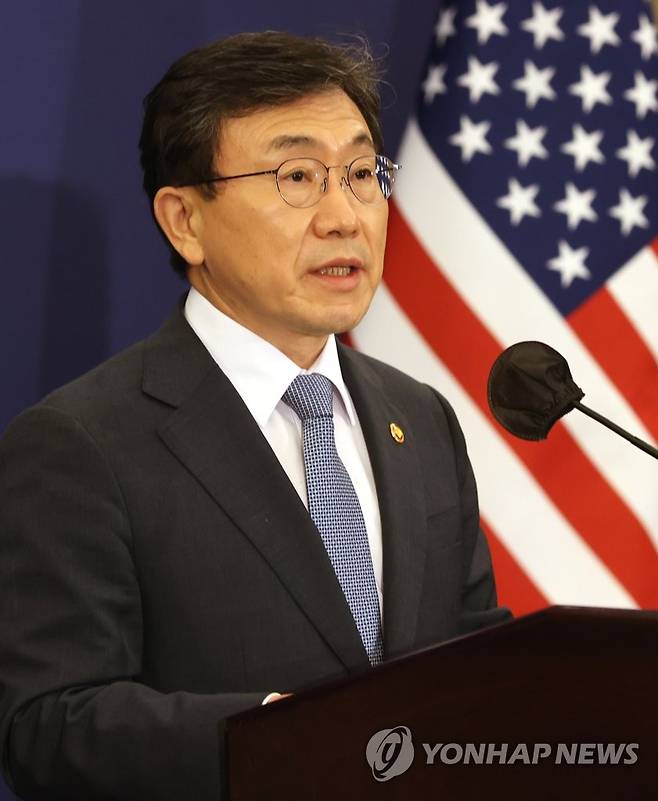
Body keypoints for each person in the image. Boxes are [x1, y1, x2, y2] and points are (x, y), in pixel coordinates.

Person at [0, 31, 509, 801]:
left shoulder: (420, 416)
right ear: (185, 220)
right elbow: (48, 724)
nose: (345, 217)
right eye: (297, 176)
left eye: (361, 174)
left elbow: (475, 658)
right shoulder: (82, 444)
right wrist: (274, 733)